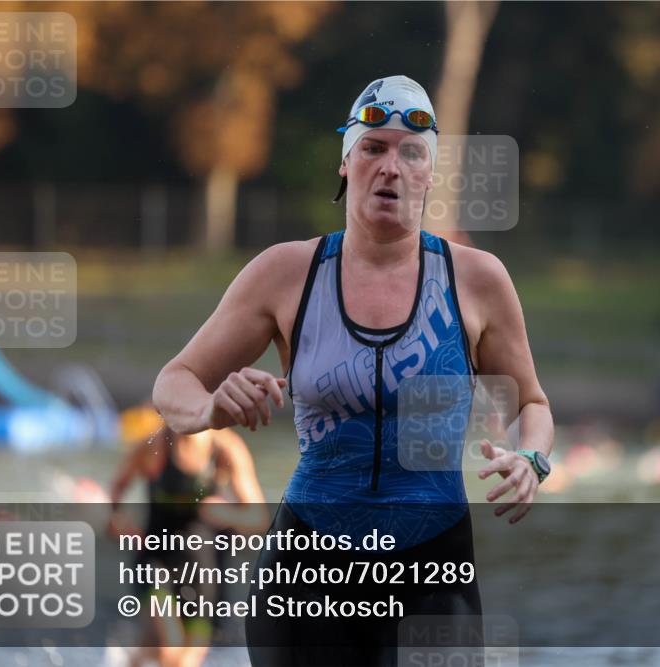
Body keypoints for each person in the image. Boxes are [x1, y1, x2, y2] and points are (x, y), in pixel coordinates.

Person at [152, 74, 554, 666]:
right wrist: (211, 408)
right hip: (305, 574)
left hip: (432, 571)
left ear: (429, 174)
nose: (390, 167)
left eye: (411, 152)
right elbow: (173, 383)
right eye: (373, 148)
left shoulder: (478, 280)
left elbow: (532, 405)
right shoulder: (286, 273)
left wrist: (532, 460)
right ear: (346, 163)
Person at [110, 409, 269, 667]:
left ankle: (130, 661)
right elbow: (116, 491)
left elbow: (258, 517)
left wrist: (228, 513)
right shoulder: (154, 446)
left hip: (206, 571)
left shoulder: (226, 449)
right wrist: (118, 524)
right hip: (156, 562)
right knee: (170, 650)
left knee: (179, 661)